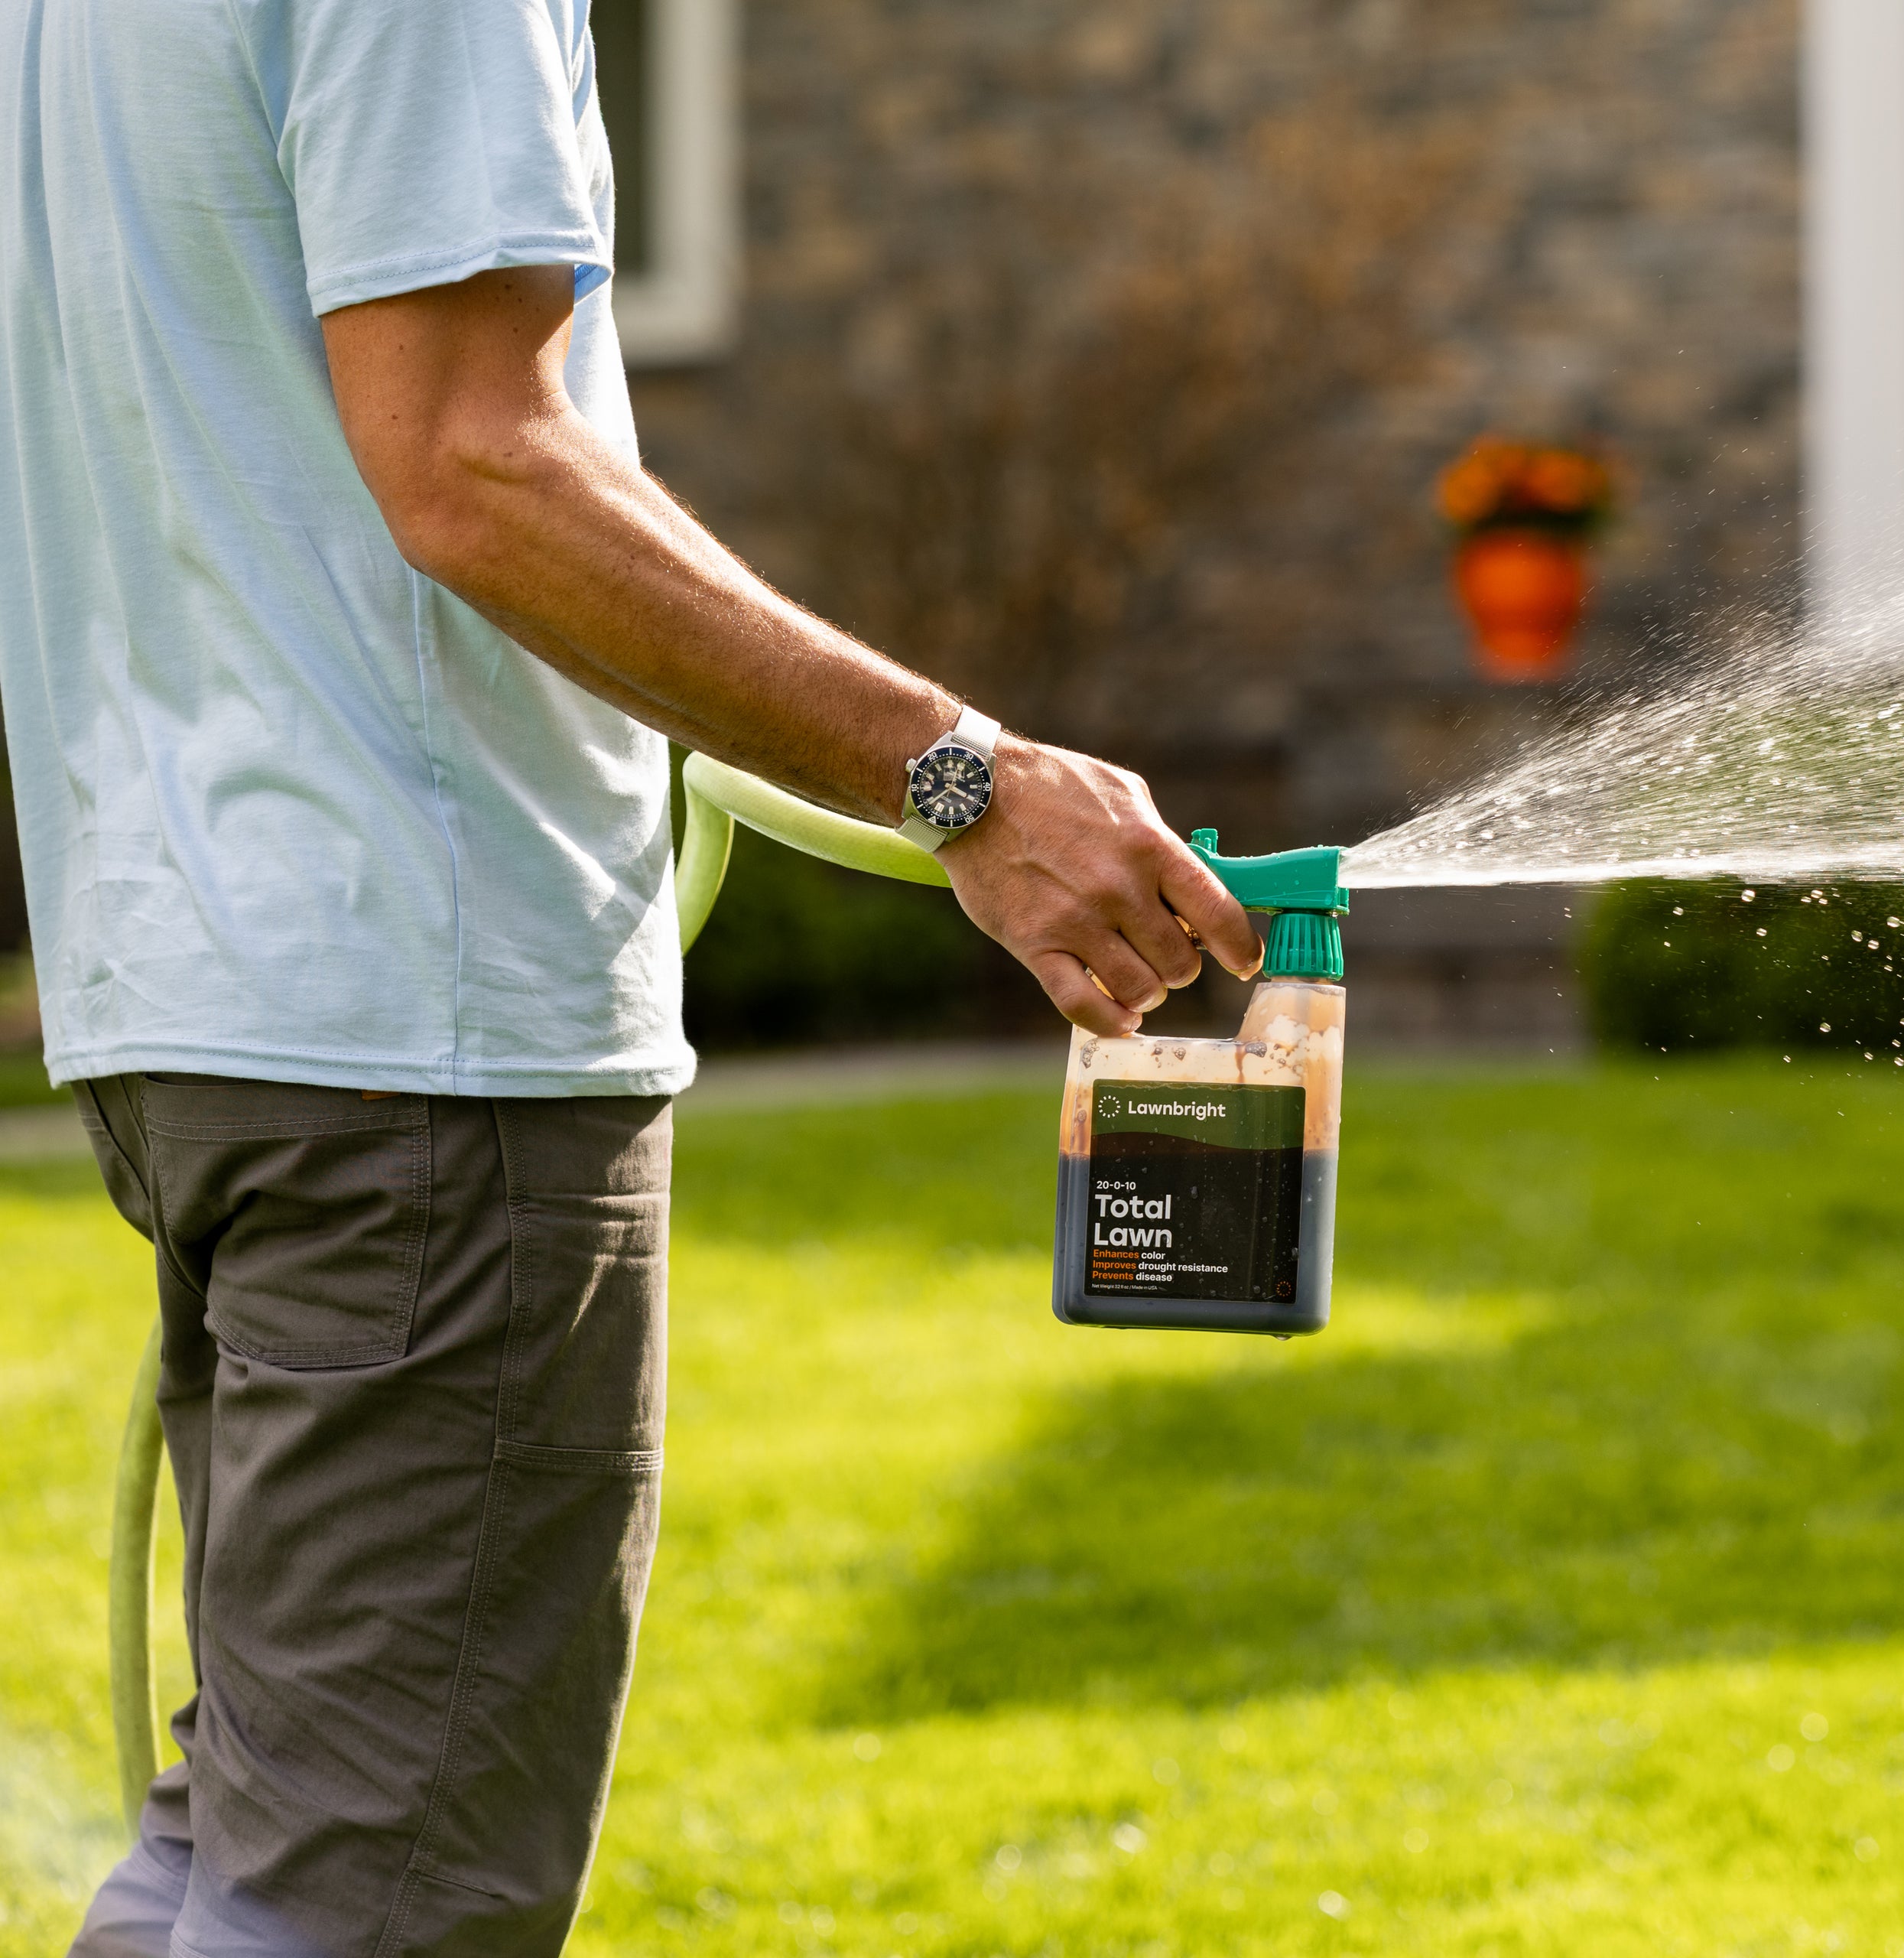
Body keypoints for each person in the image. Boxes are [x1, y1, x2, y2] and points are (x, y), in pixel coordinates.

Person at [0, 3, 1262, 1952]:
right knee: (368, 1893)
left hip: (192, 996)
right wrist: (963, 776)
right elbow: (470, 462)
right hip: (417, 1029)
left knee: (242, 1846)